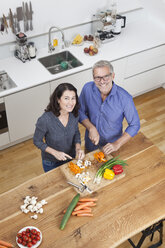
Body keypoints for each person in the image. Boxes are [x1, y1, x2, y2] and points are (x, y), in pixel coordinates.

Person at [79, 60, 140, 154]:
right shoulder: (87, 89)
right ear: (93, 78)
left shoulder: (125, 98)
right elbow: (79, 111)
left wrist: (117, 144)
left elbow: (134, 125)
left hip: (112, 147)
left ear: (113, 76)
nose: (102, 81)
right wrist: (91, 128)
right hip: (90, 143)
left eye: (106, 76)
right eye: (98, 77)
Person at [33, 83, 84, 172]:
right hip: (51, 162)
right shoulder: (45, 120)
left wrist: (78, 148)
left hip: (70, 157)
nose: (71, 103)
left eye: (73, 98)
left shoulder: (74, 114)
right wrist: (55, 153)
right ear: (58, 99)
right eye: (66, 98)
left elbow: (76, 132)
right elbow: (37, 141)